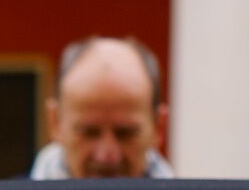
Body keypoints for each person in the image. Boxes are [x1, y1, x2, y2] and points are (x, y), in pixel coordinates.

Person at [30, 37, 173, 180]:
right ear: (54, 122)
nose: (106, 156)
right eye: (89, 132)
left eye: (125, 133)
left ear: (159, 126)